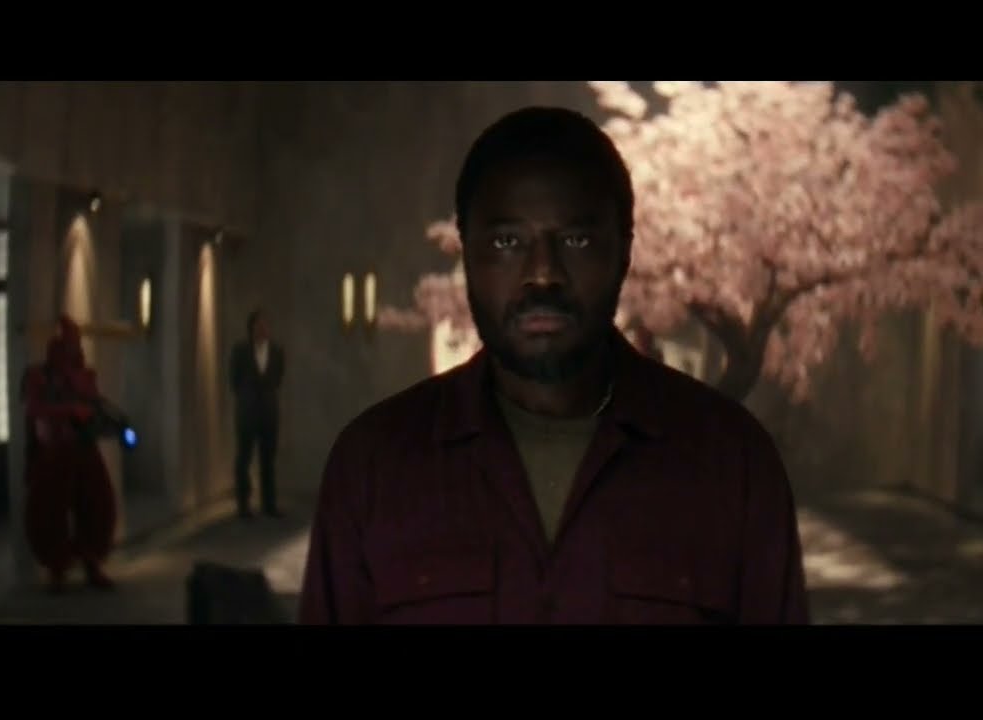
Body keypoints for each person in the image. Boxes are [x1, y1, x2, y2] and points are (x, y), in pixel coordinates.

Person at [298, 106, 810, 624]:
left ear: (624, 251)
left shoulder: (732, 461)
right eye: (508, 242)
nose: (542, 274)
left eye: (575, 240)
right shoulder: (373, 466)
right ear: (466, 253)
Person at [20, 315, 118, 593]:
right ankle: (57, 566)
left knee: (97, 504)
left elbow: (93, 404)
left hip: (83, 446)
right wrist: (68, 411)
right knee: (49, 509)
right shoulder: (38, 376)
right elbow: (34, 409)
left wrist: (95, 415)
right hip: (54, 448)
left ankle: (91, 560)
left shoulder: (85, 376)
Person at [229, 309, 285, 518]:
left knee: (268, 460)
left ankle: (269, 504)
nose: (262, 329)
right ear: (251, 328)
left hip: (269, 413)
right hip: (247, 413)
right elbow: (234, 381)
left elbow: (278, 379)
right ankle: (243, 505)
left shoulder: (277, 351)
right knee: (244, 459)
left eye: (265, 325)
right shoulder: (240, 351)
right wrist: (247, 399)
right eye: (258, 325)